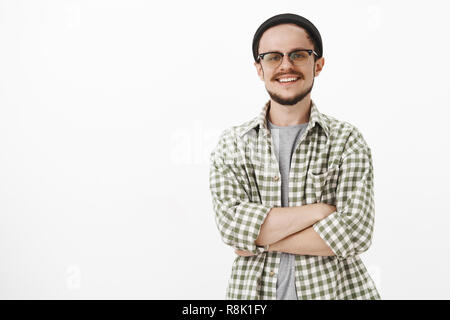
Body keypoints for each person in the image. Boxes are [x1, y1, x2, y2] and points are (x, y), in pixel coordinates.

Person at [209, 13, 381, 300]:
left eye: (298, 55)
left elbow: (356, 232)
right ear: (259, 68)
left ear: (318, 64)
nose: (285, 65)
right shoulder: (233, 144)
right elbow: (231, 226)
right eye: (273, 57)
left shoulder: (347, 140)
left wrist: (261, 241)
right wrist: (320, 211)